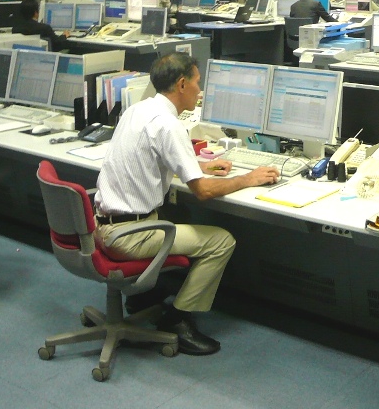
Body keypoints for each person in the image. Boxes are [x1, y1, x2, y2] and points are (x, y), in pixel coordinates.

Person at [93, 53, 280, 355]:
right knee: (221, 241)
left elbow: (152, 158)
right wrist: (248, 178)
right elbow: (204, 192)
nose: (200, 90)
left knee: (175, 210)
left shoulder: (138, 110)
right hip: (131, 235)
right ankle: (177, 321)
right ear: (181, 84)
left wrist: (197, 165)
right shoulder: (169, 125)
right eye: (197, 82)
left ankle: (142, 298)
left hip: (102, 225)